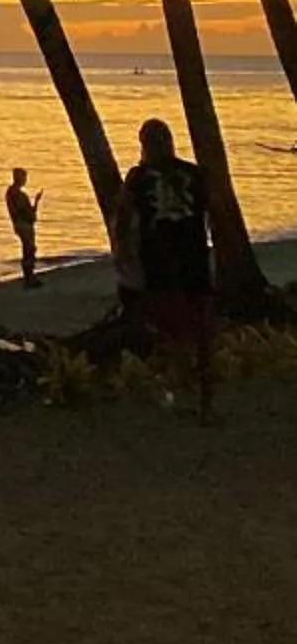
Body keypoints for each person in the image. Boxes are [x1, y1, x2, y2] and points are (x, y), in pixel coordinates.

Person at [115, 118, 216, 419]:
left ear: (144, 145)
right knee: (200, 334)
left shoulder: (138, 177)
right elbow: (213, 214)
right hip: (195, 261)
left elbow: (123, 220)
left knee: (172, 332)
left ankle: (181, 394)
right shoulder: (195, 173)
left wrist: (123, 256)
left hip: (159, 264)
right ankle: (204, 402)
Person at [5, 165, 42, 287]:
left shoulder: (11, 193)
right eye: (24, 177)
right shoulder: (18, 194)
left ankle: (29, 276)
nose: (25, 180)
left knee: (28, 249)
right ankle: (29, 277)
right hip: (23, 224)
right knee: (29, 249)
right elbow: (25, 211)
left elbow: (27, 211)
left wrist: (36, 202)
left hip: (21, 224)